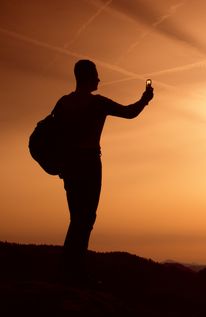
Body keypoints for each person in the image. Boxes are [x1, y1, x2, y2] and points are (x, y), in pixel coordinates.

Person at [53, 59, 154, 282]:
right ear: (88, 76)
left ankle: (69, 270)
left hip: (70, 166)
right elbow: (129, 113)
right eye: (96, 74)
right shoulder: (97, 104)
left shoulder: (63, 103)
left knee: (77, 218)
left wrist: (61, 164)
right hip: (89, 164)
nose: (99, 79)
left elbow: (55, 135)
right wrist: (145, 99)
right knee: (85, 218)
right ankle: (75, 273)